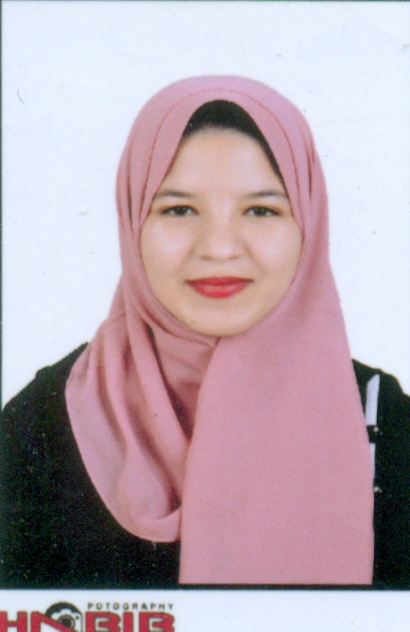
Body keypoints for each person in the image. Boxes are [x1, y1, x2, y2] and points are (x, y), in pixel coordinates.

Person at [1, 76, 409, 588]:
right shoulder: (40, 422)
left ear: (308, 223)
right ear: (132, 221)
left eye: (261, 210)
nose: (218, 248)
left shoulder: (382, 420)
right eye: (179, 209)